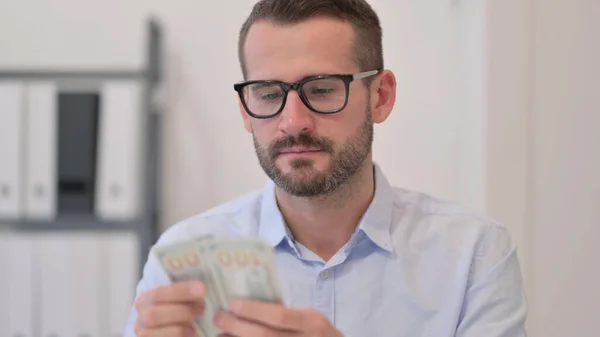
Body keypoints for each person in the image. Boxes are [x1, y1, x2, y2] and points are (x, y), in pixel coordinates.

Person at [126, 0, 528, 336]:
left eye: (321, 89)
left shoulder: (473, 256)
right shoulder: (182, 257)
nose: (293, 121)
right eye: (268, 94)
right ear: (246, 111)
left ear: (381, 96)